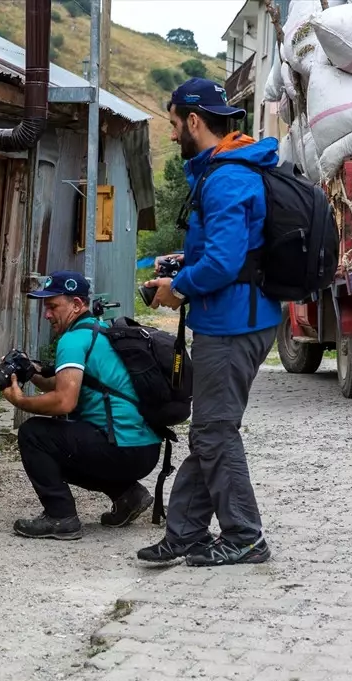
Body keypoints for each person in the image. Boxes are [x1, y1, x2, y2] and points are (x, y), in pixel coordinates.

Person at [137, 77, 282, 567]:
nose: (174, 134)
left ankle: (244, 536)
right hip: (235, 316)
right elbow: (231, 252)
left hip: (233, 324)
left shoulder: (226, 178)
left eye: (175, 124)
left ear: (194, 121)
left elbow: (222, 263)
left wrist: (176, 290)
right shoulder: (226, 171)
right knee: (209, 431)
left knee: (216, 433)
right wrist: (183, 262)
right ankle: (186, 534)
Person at [2, 271, 163, 541]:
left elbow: (65, 400)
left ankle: (60, 517)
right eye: (45, 307)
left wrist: (20, 401)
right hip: (143, 449)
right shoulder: (99, 332)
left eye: (53, 306)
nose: (47, 315)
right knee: (65, 445)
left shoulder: (73, 340)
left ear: (76, 305)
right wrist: (31, 372)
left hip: (121, 448)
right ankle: (128, 495)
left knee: (34, 435)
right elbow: (62, 384)